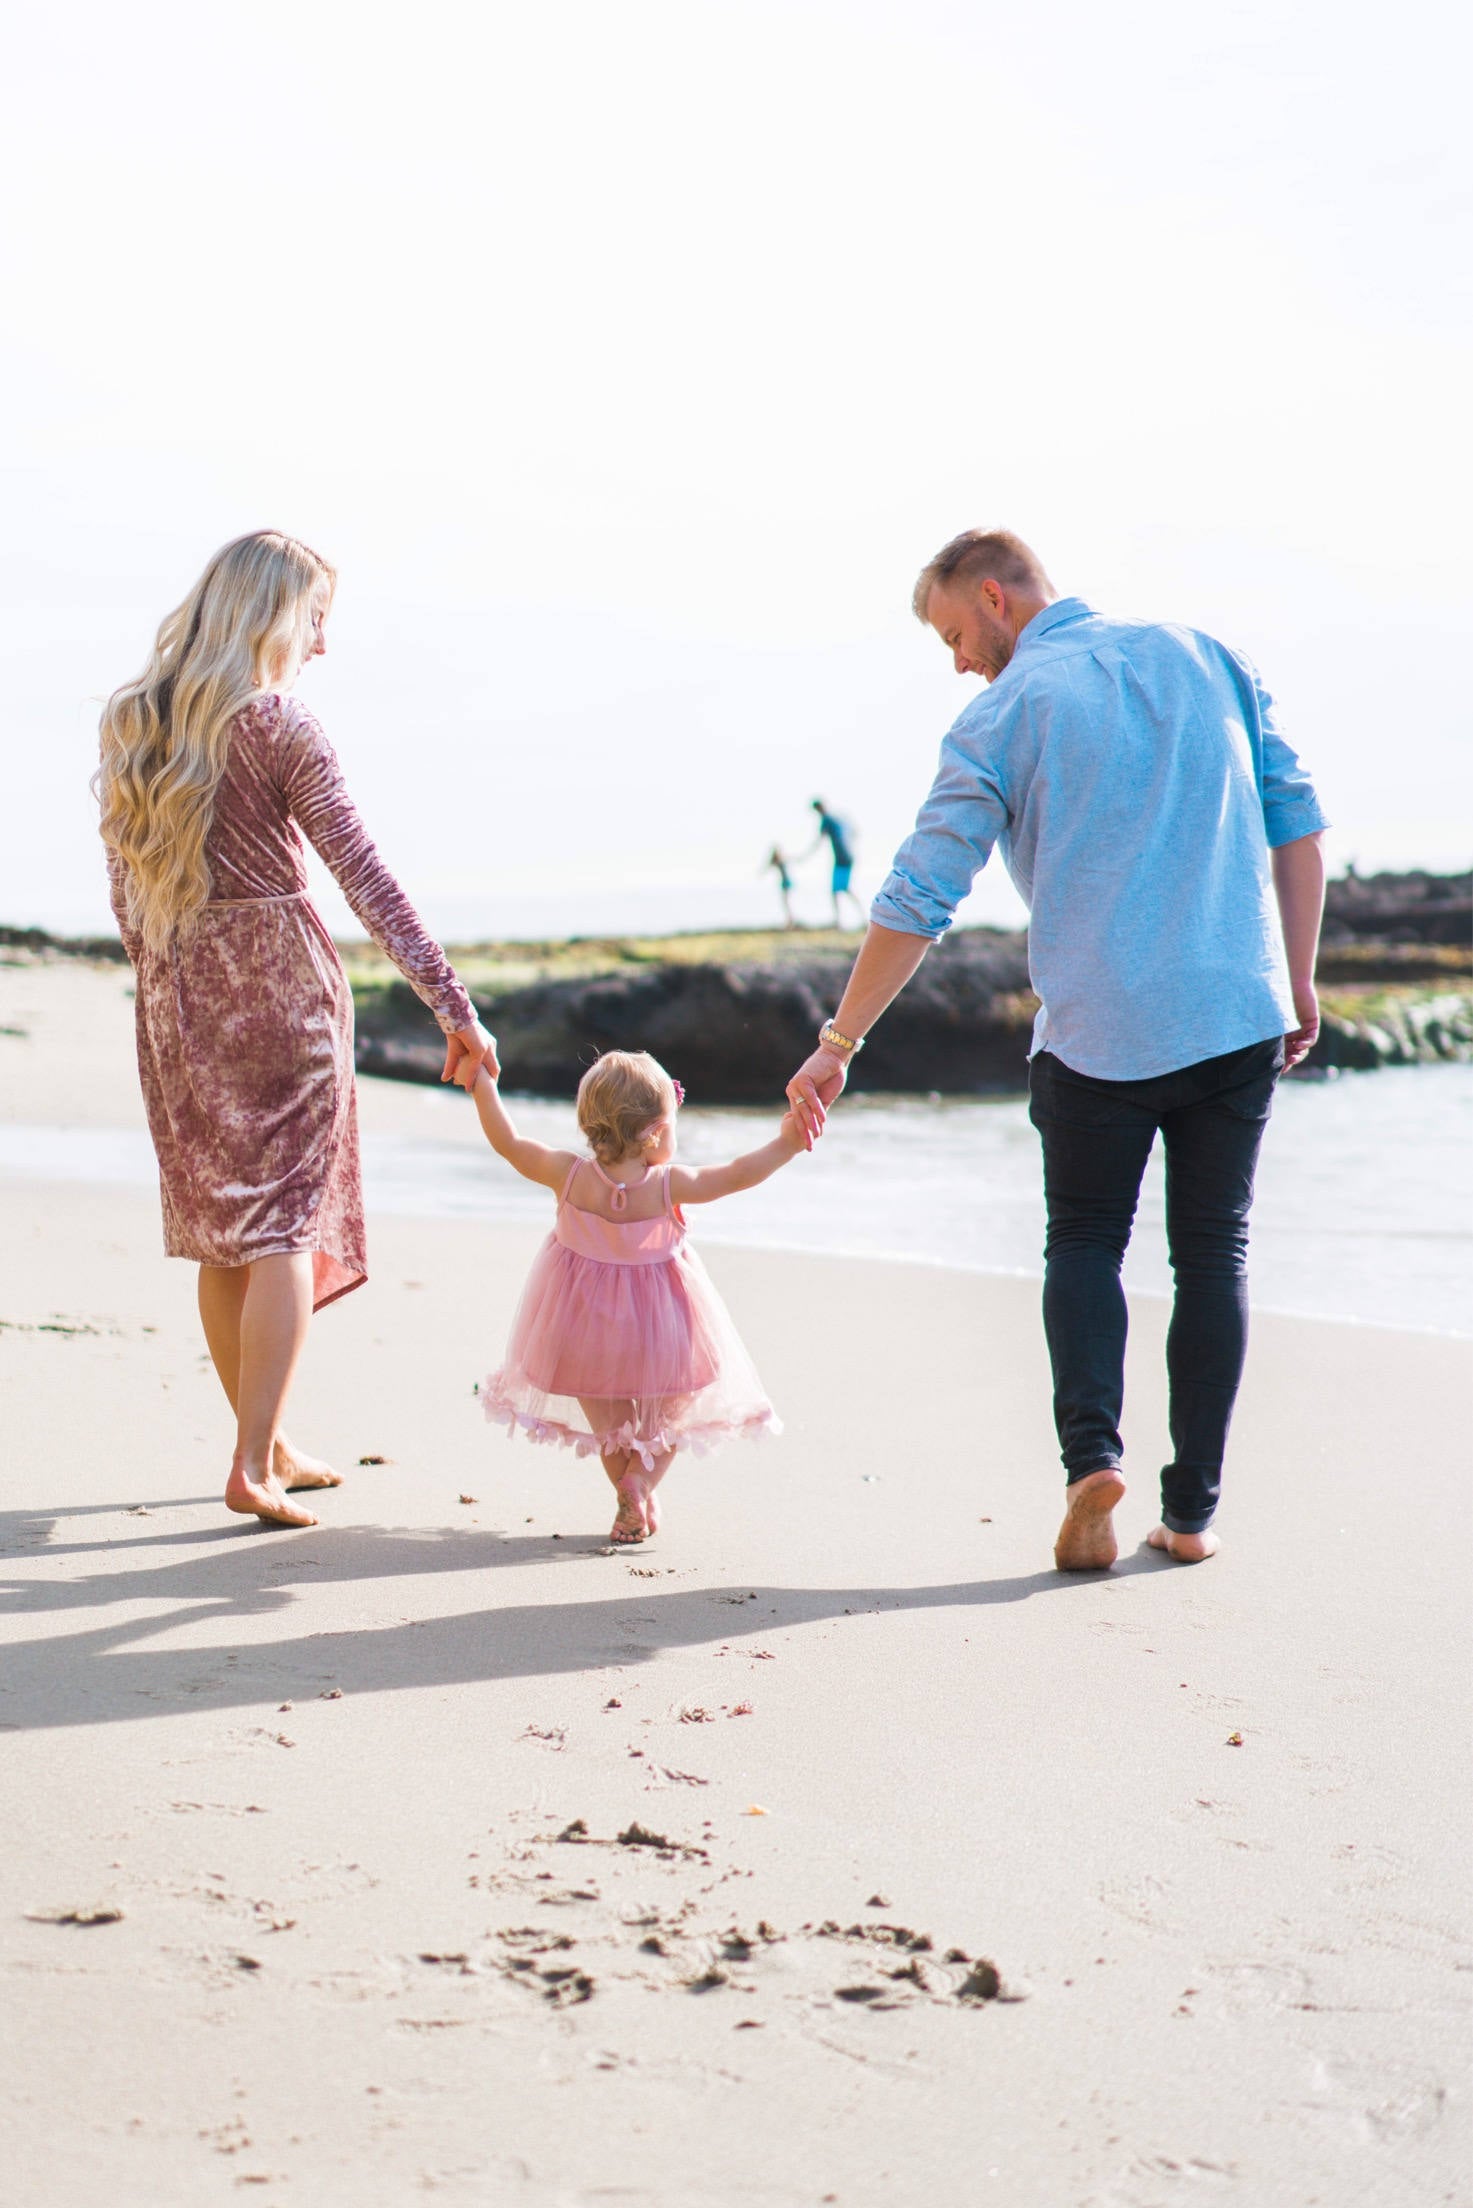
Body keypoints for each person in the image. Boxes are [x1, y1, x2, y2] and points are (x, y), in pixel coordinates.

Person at [786, 529, 1328, 1572]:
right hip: (1235, 1009)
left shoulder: (1002, 715)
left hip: (1098, 1031)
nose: (956, 661)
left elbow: (918, 895)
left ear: (995, 596)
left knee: (1084, 1242)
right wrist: (1297, 977)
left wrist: (840, 1040)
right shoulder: (1207, 653)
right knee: (1213, 1250)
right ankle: (1191, 1515)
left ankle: (1092, 1462)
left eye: (953, 632)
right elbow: (1296, 820)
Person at [97, 530, 495, 1530]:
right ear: (274, 614)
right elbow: (366, 880)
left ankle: (265, 1443)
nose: (321, 645)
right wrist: (454, 1005)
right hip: (283, 991)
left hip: (178, 995)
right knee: (281, 1227)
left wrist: (163, 994)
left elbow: (123, 892)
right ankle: (250, 1463)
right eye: (316, 619)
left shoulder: (134, 721)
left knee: (227, 1239)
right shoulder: (278, 725)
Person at [471, 1049, 800, 1544]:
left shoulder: (569, 1175)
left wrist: (481, 1083)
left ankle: (631, 1494)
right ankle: (640, 1482)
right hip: (661, 1327)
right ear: (656, 1132)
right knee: (674, 1412)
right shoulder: (670, 1185)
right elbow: (738, 1173)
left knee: (612, 1424)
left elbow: (508, 1142)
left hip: (580, 1328)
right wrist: (788, 1143)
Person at [801, 798, 865, 928]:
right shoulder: (839, 817)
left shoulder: (827, 820)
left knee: (838, 890)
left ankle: (841, 921)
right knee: (842, 889)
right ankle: (857, 917)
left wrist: (803, 856)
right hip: (848, 857)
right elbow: (855, 832)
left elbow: (819, 841)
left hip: (841, 858)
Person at [765, 844, 798, 927]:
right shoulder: (779, 860)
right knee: (786, 902)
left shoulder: (780, 859)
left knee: (786, 902)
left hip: (786, 882)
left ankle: (790, 921)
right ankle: (790, 920)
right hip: (785, 883)